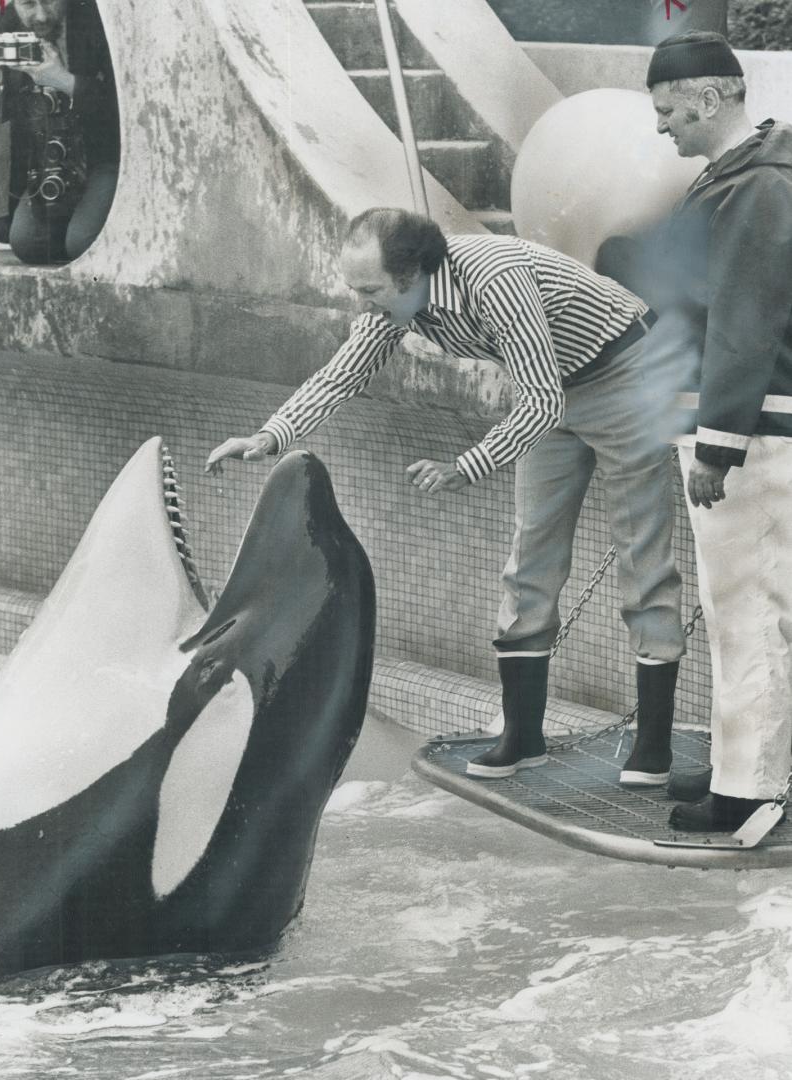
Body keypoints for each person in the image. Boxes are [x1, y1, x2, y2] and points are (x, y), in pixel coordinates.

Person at [206, 209, 686, 783]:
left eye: (371, 290)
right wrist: (269, 434)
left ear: (414, 274)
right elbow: (341, 376)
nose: (362, 303)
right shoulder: (396, 306)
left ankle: (653, 748)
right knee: (530, 558)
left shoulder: (494, 278)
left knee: (642, 555)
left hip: (626, 372)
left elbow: (540, 402)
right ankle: (522, 737)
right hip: (552, 389)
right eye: (355, 289)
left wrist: (467, 465)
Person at [642, 31, 792, 831]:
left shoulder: (756, 184)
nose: (661, 125)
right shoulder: (746, 176)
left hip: (753, 433)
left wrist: (717, 444)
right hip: (757, 424)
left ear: (707, 98)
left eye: (667, 110)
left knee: (745, 611)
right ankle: (749, 764)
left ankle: (748, 791)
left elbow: (743, 319)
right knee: (760, 609)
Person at [0, 0, 119, 263]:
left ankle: (83, 223)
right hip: (51, 163)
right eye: (28, 4)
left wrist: (63, 80)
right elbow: (4, 114)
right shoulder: (7, 24)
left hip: (103, 157)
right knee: (26, 245)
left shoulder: (99, 21)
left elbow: (126, 107)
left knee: (82, 243)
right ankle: (79, 220)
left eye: (49, 1)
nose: (41, 15)